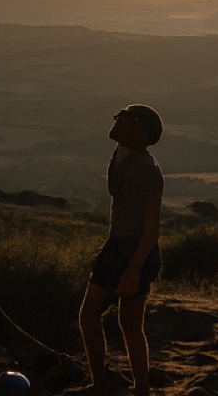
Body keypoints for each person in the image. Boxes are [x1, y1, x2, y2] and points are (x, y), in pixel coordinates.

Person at [80, 103, 164, 396]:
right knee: (92, 316)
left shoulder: (148, 172)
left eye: (123, 117)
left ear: (137, 129)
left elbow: (151, 229)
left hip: (132, 251)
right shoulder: (121, 156)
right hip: (116, 244)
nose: (116, 119)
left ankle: (140, 389)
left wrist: (133, 270)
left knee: (127, 323)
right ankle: (101, 384)